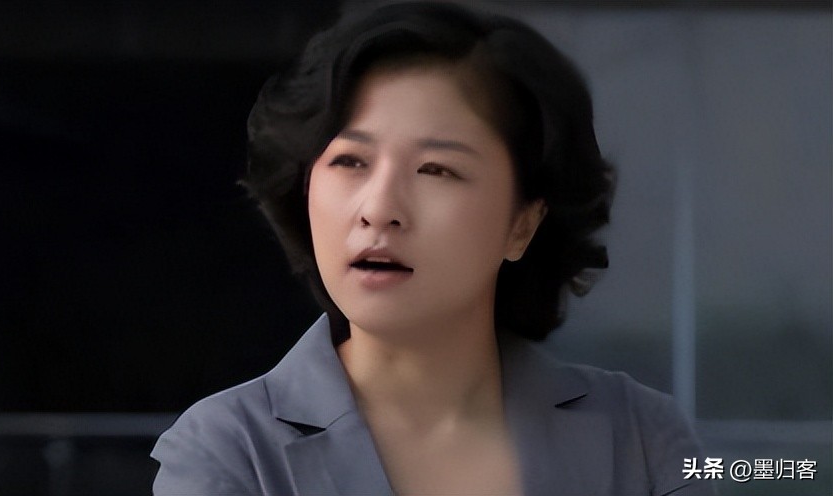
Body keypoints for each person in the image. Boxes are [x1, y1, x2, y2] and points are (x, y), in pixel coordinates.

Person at [151, 2, 713, 495]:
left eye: (436, 169)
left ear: (522, 224)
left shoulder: (641, 438)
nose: (379, 208)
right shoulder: (229, 450)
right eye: (350, 161)